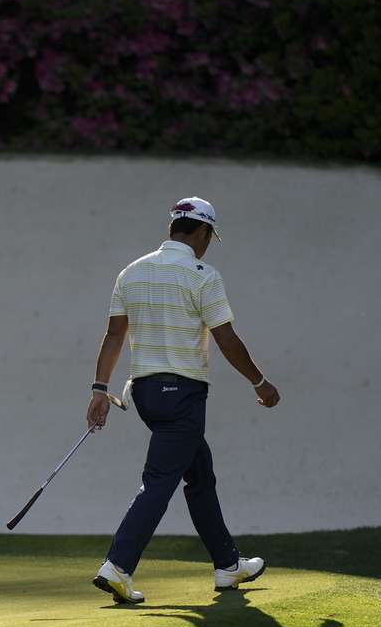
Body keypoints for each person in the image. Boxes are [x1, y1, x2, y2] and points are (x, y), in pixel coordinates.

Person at [85, 198, 281, 604]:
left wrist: (99, 389)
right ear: (204, 233)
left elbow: (114, 336)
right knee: (160, 481)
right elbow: (226, 339)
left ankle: (228, 566)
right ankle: (117, 566)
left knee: (200, 476)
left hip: (144, 394)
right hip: (183, 395)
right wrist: (260, 382)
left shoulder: (131, 272)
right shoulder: (203, 276)